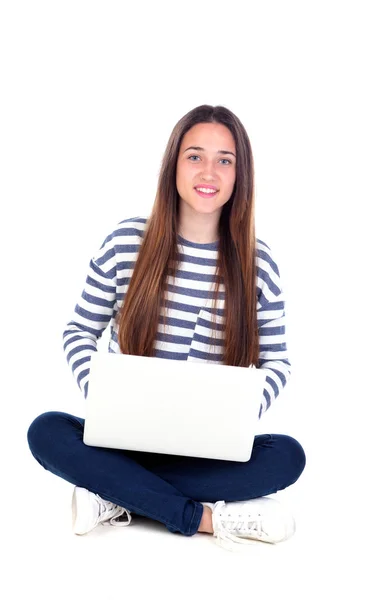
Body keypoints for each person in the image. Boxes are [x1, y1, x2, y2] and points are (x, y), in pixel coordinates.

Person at [27, 104, 306, 552]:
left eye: (225, 159)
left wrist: (238, 414)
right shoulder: (126, 242)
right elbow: (79, 330)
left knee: (288, 455)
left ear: (240, 175)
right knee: (46, 431)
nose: (208, 171)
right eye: (195, 156)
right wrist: (99, 392)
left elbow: (278, 361)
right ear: (173, 165)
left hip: (206, 453)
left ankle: (116, 495)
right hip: (122, 441)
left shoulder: (259, 265)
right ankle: (205, 518)